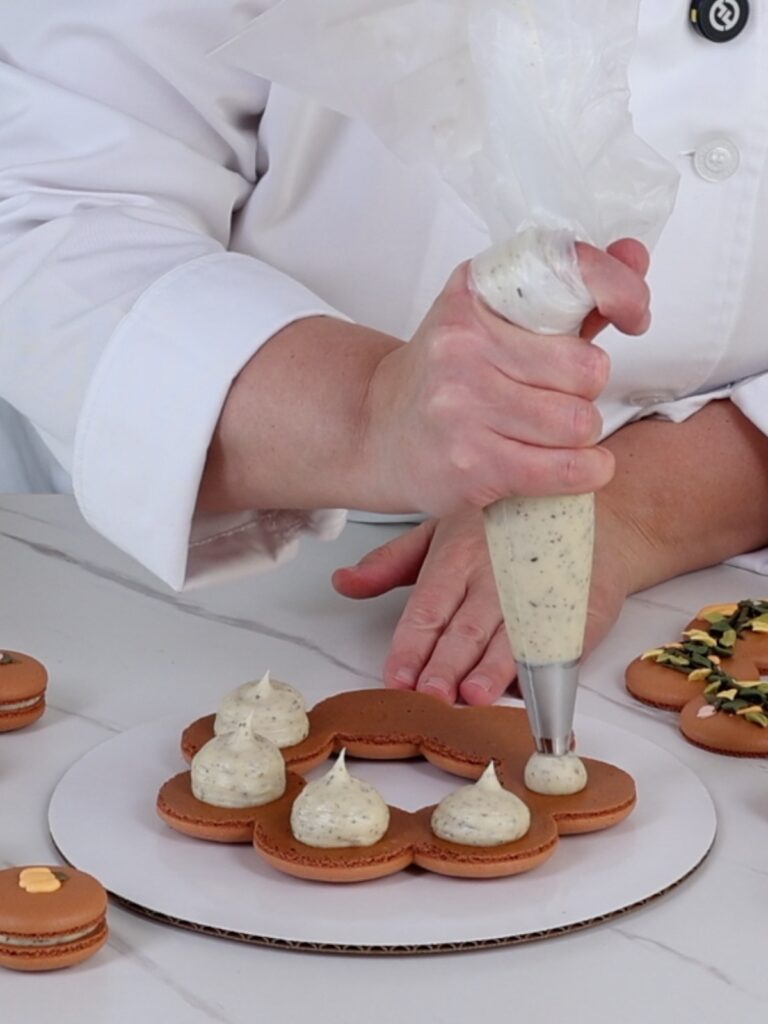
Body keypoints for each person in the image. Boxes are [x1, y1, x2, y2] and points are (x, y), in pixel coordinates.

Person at [1, 1, 767, 707]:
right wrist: (365, 409)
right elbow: (55, 207)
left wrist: (643, 504)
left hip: (728, 560)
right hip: (215, 579)